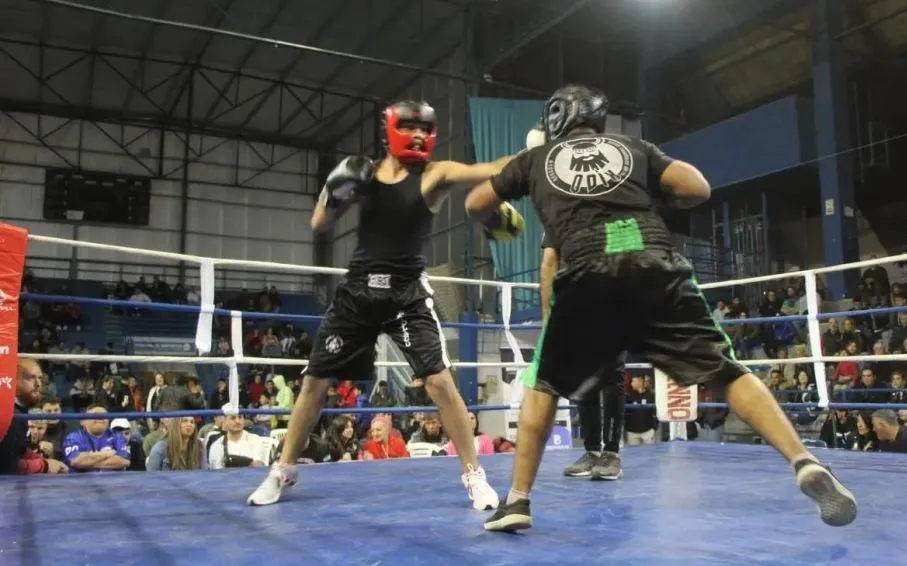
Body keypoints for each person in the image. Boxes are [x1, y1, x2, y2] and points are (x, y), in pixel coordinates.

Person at [465, 84, 857, 532]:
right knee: (724, 372)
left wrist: (502, 222)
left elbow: (476, 203)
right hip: (652, 256)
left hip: (586, 268)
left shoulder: (535, 161)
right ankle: (803, 461)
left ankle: (517, 502)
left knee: (544, 384)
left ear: (556, 120)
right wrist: (651, 195)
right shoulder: (633, 147)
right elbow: (698, 187)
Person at [248, 100, 525, 510]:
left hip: (406, 294)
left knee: (439, 382)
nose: (418, 135)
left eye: (424, 129)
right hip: (357, 292)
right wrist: (337, 186)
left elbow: (493, 168)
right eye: (409, 127)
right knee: (315, 382)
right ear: (390, 130)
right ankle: (284, 468)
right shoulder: (363, 173)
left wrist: (537, 153)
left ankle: (474, 474)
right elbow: (319, 224)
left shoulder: (436, 174)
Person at [540, 231, 626, 480]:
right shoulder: (558, 213)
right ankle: (592, 451)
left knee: (612, 376)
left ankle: (611, 453)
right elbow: (549, 260)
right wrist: (548, 316)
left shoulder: (613, 203)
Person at [0, 359, 69, 475]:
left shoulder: (19, 412)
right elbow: (6, 466)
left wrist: (43, 460)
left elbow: (18, 450)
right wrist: (44, 465)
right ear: (12, 380)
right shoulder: (10, 415)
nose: (38, 384)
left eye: (40, 378)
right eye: (30, 378)